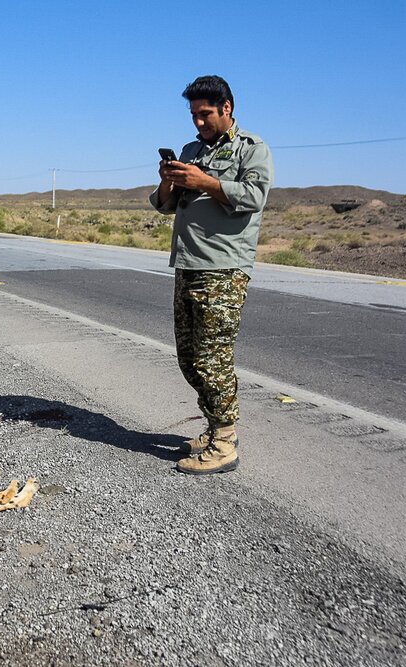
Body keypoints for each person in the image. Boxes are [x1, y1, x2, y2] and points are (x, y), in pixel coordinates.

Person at [149, 75, 274, 475]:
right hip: (188, 263)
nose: (199, 122)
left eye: (205, 114)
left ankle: (225, 441)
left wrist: (206, 181)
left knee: (211, 359)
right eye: (193, 115)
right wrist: (168, 180)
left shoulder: (251, 149)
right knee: (189, 358)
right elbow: (165, 205)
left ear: (227, 108)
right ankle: (213, 426)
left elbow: (255, 197)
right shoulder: (192, 150)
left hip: (223, 269)